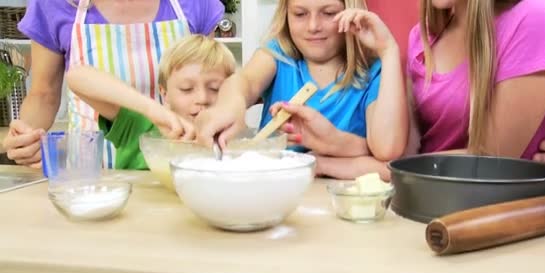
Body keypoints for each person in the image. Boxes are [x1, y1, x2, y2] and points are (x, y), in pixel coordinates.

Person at [307, 0, 545, 180]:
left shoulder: (536, 16)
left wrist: (333, 165)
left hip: (496, 217)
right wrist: (332, 150)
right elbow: (406, 154)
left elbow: (490, 161)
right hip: (423, 201)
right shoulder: (423, 36)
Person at [2, 0, 224, 168]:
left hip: (180, 162)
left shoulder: (196, 2)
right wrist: (26, 138)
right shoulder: (54, 4)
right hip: (88, 174)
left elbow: (211, 86)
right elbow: (44, 94)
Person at [195, 0, 408, 168]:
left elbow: (388, 148)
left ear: (351, 12)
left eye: (328, 13)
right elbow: (245, 82)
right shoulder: (278, 55)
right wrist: (230, 107)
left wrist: (388, 50)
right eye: (300, 14)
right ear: (285, 15)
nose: (313, 26)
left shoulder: (374, 73)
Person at [66, 35, 236, 169]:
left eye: (215, 88)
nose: (202, 99)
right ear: (165, 94)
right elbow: (76, 77)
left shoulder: (229, 139)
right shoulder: (140, 125)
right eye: (186, 89)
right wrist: (151, 109)